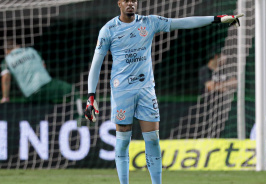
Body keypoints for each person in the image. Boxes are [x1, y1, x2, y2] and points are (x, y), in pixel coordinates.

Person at [84, 0, 244, 183]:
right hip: (122, 91)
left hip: (146, 91)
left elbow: (182, 22)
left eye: (133, 0)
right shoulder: (108, 29)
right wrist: (91, 95)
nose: (131, 4)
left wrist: (216, 19)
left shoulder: (149, 22)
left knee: (152, 140)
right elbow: (96, 64)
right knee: (122, 142)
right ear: (119, 3)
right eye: (126, 0)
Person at [1, 39, 83, 116]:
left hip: (31, 94)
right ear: (18, 46)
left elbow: (6, 78)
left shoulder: (7, 60)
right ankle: (81, 116)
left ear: (6, 51)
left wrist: (5, 97)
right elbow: (43, 66)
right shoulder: (31, 51)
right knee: (72, 90)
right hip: (47, 86)